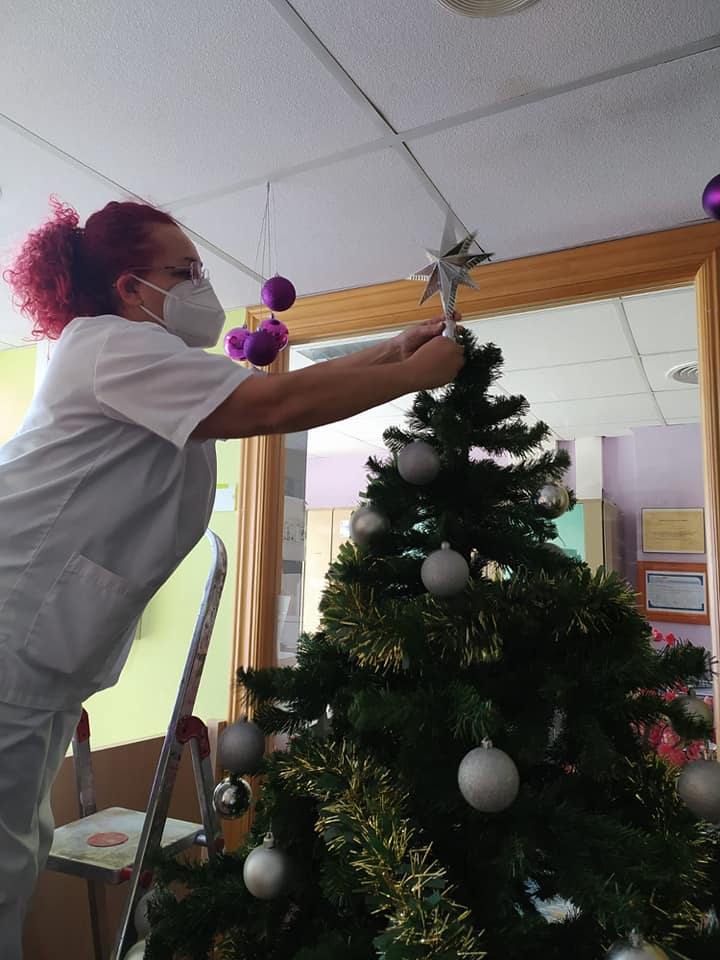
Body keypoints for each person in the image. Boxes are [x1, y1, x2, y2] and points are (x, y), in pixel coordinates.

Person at [0, 198, 464, 957]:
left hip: (38, 654)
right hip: (13, 629)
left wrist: (393, 351)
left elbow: (264, 392)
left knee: (17, 847)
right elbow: (274, 403)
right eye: (183, 271)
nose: (200, 285)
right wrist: (414, 375)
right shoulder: (110, 346)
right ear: (129, 289)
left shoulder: (145, 361)